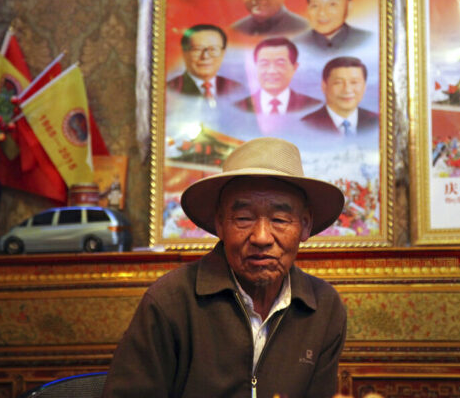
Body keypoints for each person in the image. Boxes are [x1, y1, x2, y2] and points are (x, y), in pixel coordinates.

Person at [103, 137, 347, 398]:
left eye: (279, 219)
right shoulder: (170, 301)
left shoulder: (324, 308)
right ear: (220, 224)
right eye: (243, 218)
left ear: (305, 225)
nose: (262, 237)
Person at [235, 37, 321, 114]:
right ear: (256, 67)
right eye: (264, 63)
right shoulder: (239, 107)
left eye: (280, 63)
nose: (272, 71)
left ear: (294, 67)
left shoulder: (314, 107)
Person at [301, 56, 378, 136]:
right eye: (338, 83)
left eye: (354, 82)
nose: (347, 90)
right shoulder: (306, 125)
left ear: (364, 86)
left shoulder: (379, 122)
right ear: (324, 86)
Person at [166, 24, 244, 101]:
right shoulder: (169, 90)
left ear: (223, 53)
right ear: (184, 53)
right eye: (197, 49)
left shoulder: (237, 88)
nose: (205, 56)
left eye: (213, 49)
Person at [296, 0, 373, 53]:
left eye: (332, 4)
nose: (322, 12)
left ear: (349, 7)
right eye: (315, 5)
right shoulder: (296, 45)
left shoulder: (369, 41)